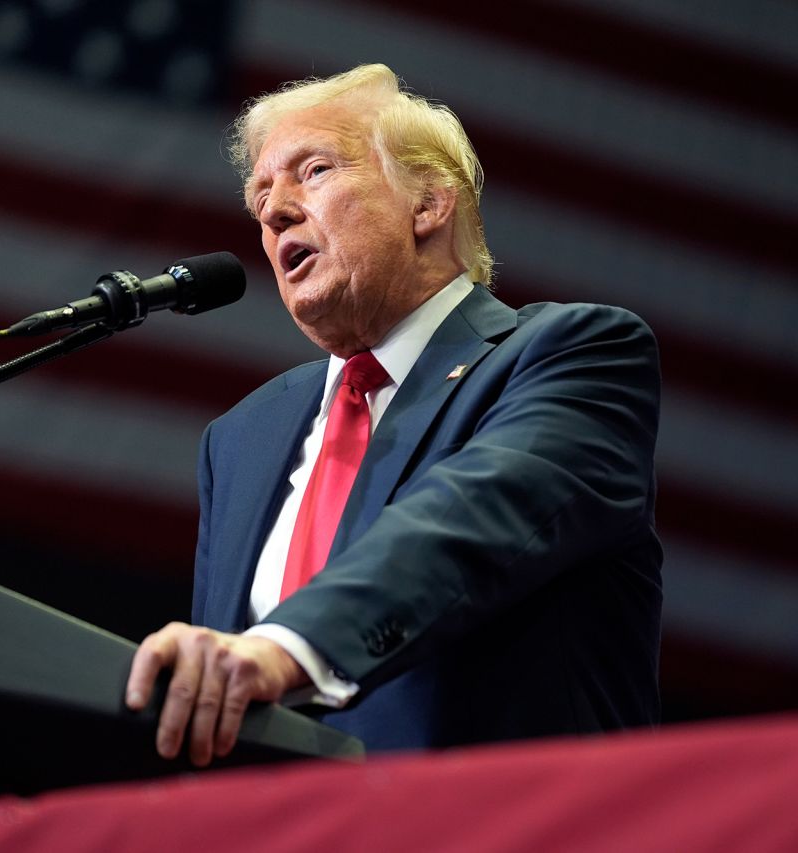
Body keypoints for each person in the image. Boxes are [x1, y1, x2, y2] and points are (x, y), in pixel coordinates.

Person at [125, 63, 662, 764]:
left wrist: (285, 647)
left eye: (312, 171)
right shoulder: (241, 440)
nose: (274, 211)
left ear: (429, 204)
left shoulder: (571, 356)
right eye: (260, 197)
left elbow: (468, 522)